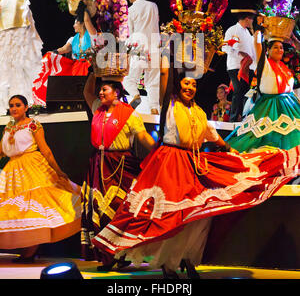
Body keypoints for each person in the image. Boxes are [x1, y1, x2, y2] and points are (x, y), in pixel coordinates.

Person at [90, 67, 300, 279]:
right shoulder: (170, 105)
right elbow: (165, 75)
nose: (190, 88)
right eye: (186, 83)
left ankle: (187, 258)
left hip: (192, 164)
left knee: (197, 215)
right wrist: (173, 51)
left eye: (193, 85)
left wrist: (236, 154)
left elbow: (214, 137)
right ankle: (167, 264)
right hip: (170, 164)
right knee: (170, 216)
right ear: (177, 86)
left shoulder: (199, 113)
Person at [81, 72, 155, 271]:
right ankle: (108, 257)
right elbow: (87, 92)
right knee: (99, 210)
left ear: (116, 92)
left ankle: (121, 254)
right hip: (98, 165)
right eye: (101, 89)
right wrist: (92, 70)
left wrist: (158, 152)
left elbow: (143, 138)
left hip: (121, 166)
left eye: (105, 89)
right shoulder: (97, 109)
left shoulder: (129, 114)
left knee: (119, 211)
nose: (100, 92)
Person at [0, 95, 81, 262]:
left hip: (32, 167)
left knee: (36, 206)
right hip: (11, 171)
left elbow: (46, 151)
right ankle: (26, 250)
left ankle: (29, 252)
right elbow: (1, 150)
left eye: (18, 105)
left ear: (26, 107)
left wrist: (58, 171)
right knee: (16, 212)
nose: (14, 108)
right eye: (11, 106)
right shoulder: (8, 127)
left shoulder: (33, 125)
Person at [225, 31, 300, 152]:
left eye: (281, 47)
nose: (280, 50)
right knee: (267, 139)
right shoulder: (265, 64)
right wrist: (260, 29)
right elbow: (257, 43)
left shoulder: (284, 67)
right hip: (271, 107)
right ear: (268, 51)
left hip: (290, 107)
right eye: (275, 47)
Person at [32, 1, 99, 106]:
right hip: (76, 67)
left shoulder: (92, 35)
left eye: (75, 23)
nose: (73, 26)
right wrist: (53, 53)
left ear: (82, 24)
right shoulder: (73, 39)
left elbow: (86, 20)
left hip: (89, 67)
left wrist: (83, 8)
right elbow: (63, 49)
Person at [0, 0, 43, 115]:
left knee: (4, 73)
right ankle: (24, 105)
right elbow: (30, 23)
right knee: (20, 71)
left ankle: (5, 106)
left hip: (2, 39)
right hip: (20, 36)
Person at [122, 0, 160, 115]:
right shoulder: (153, 6)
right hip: (154, 46)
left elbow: (131, 32)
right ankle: (154, 109)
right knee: (153, 81)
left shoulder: (131, 10)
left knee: (127, 78)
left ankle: (136, 95)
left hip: (139, 45)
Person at [223, 9, 257, 122]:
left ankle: (243, 118)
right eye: (252, 18)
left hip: (249, 68)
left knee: (247, 94)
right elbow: (225, 47)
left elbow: (253, 53)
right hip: (236, 66)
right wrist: (240, 53)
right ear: (247, 18)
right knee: (238, 92)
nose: (253, 21)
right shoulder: (233, 30)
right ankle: (233, 119)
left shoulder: (248, 33)